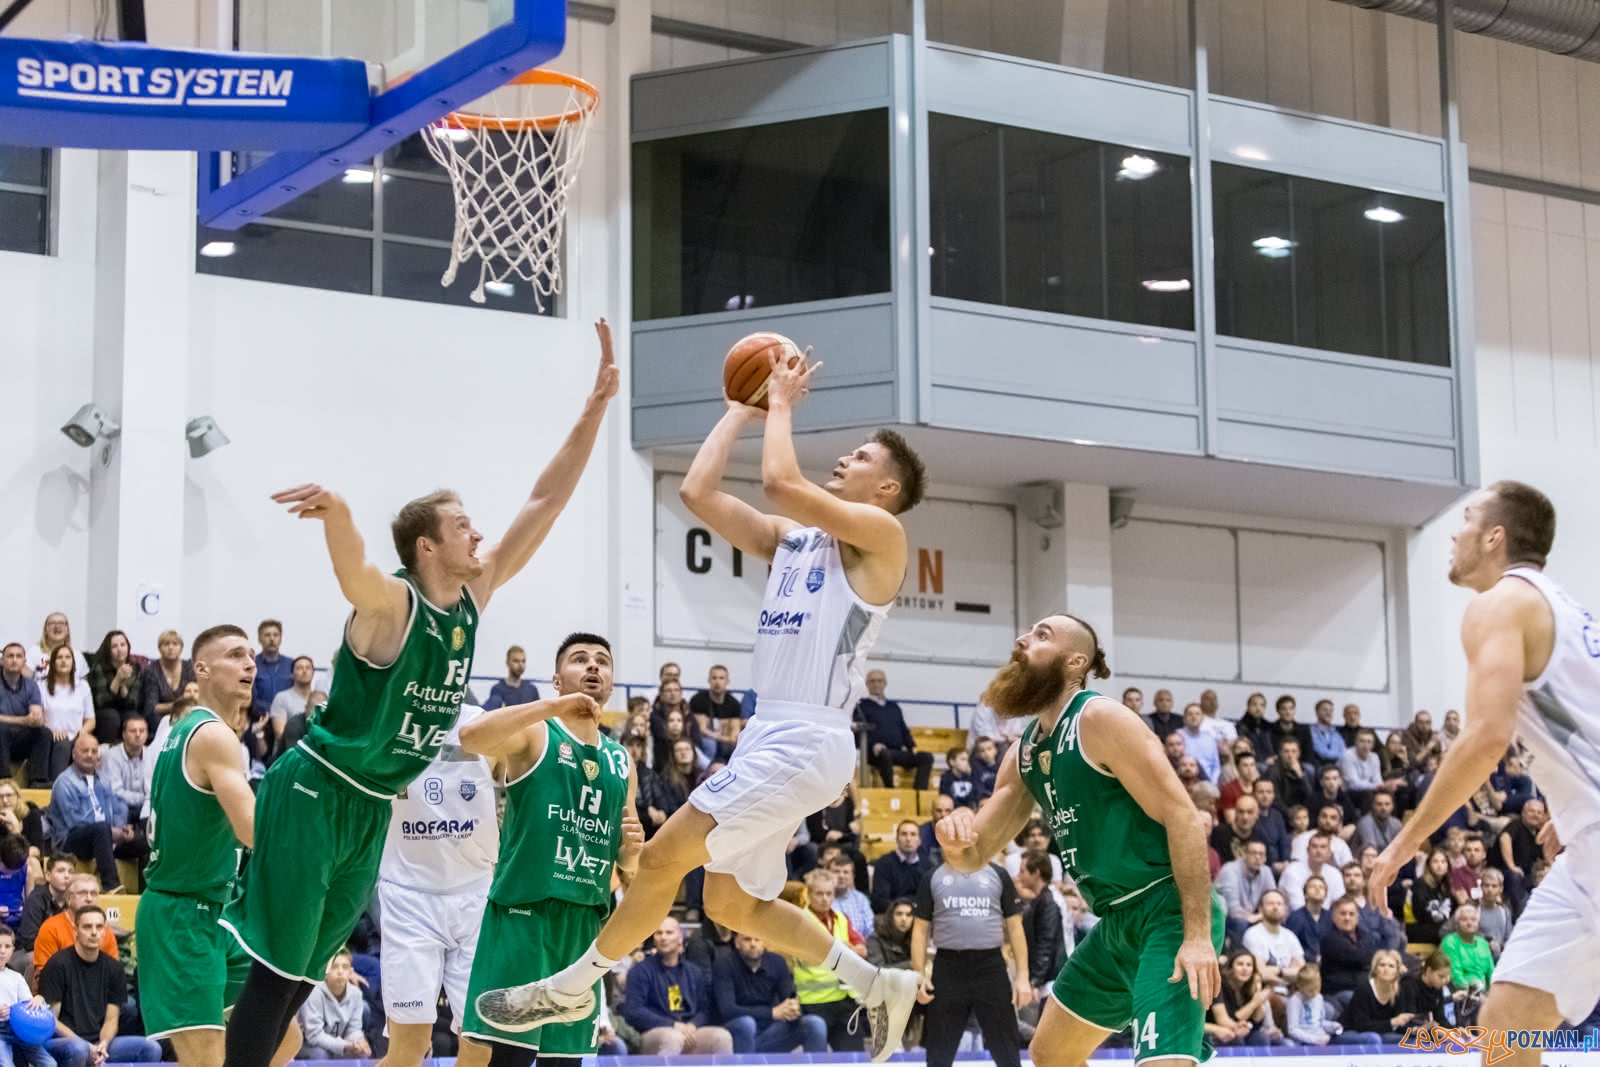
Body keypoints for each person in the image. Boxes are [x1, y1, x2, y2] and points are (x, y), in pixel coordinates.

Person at [476, 357, 928, 1064]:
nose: (846, 457)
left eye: (862, 455)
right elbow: (698, 489)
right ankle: (875, 981)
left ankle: (574, 984)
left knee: (660, 857)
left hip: (807, 735)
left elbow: (780, 480)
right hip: (770, 733)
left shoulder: (882, 538)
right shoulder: (797, 541)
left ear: (888, 487)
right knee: (730, 905)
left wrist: (779, 401)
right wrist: (742, 409)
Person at [220, 320, 617, 1067]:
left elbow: (545, 501)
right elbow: (356, 576)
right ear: (427, 545)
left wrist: (594, 407)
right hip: (316, 787)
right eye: (463, 524)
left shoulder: (471, 599)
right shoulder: (394, 606)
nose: (480, 533)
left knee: (304, 976)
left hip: (370, 805)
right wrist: (338, 515)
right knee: (279, 972)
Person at [935, 614, 1222, 1067]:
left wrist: (1198, 936)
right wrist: (956, 830)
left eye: (1041, 635)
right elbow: (972, 855)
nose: (1022, 639)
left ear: (1075, 662)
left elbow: (1183, 816)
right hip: (1115, 923)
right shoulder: (1025, 752)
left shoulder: (1100, 719)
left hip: (1166, 912)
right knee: (1051, 1054)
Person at [457, 633, 641, 1067]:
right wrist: (553, 707)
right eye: (580, 660)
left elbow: (627, 860)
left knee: (565, 1062)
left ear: (611, 681)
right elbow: (470, 737)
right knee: (510, 1060)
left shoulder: (620, 759)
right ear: (557, 680)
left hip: (584, 925)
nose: (594, 667)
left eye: (602, 661)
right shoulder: (538, 733)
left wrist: (633, 849)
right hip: (526, 913)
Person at [369, 688, 498, 1067]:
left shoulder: (484, 723)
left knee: (482, 1040)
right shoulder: (385, 720)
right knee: (410, 1046)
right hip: (409, 896)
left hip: (476, 894)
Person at [38, 906, 160, 1066]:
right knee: (79, 1049)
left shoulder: (114, 968)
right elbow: (52, 1021)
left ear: (105, 932)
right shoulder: (57, 965)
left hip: (96, 1041)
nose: (94, 932)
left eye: (99, 927)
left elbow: (111, 1019)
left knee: (151, 1048)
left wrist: (103, 1045)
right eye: (87, 927)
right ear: (75, 931)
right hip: (63, 1043)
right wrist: (87, 1047)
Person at [619, 918, 732, 1055]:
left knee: (722, 1037)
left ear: (680, 938)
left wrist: (693, 1025)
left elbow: (704, 1009)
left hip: (689, 1030)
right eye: (659, 933)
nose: (663, 937)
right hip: (652, 1033)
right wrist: (673, 1025)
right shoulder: (640, 971)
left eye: (669, 933)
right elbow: (634, 1011)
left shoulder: (694, 972)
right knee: (673, 1038)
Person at [791, 866, 866, 1051]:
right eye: (819, 894)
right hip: (812, 1002)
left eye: (829, 893)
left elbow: (862, 948)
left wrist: (854, 950)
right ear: (808, 895)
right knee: (818, 1060)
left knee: (854, 1057)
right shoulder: (798, 920)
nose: (825, 899)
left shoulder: (841, 918)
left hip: (843, 998)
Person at [712, 933, 828, 1054]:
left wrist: (793, 1010)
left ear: (765, 942)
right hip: (737, 1032)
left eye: (757, 939)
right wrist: (771, 1013)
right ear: (737, 943)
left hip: (769, 1033)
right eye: (747, 939)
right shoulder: (724, 964)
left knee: (815, 1023)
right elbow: (728, 1010)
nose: (753, 944)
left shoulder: (777, 962)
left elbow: (788, 1000)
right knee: (747, 1023)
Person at [46, 737, 130, 892]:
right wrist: (110, 832)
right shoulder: (64, 782)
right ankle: (111, 885)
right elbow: (75, 822)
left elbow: (116, 806)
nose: (90, 755)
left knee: (140, 841)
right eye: (85, 751)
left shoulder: (103, 779)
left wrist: (121, 828)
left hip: (101, 835)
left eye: (94, 751)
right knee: (101, 829)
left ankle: (150, 890)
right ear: (73, 754)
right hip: (69, 841)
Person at [856, 670, 933, 791]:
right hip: (876, 754)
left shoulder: (894, 707)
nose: (876, 684)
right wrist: (873, 745)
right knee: (884, 754)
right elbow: (859, 732)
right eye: (872, 681)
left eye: (879, 681)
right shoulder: (861, 706)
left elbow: (903, 729)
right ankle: (890, 792)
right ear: (867, 684)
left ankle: (919, 794)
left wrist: (911, 747)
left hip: (897, 751)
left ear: (885, 683)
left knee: (926, 757)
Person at [298, 952, 369, 1060]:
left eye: (345, 967)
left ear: (351, 972)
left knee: (361, 1053)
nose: (340, 971)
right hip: (308, 1044)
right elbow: (314, 1036)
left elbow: (353, 1029)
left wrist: (358, 1042)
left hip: (337, 1043)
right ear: (325, 972)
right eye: (334, 967)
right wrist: (345, 1046)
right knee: (320, 1055)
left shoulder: (356, 994)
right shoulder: (312, 992)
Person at [1285, 964, 1376, 1046]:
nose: (1314, 993)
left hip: (1323, 1038)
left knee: (1370, 1038)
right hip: (1305, 1042)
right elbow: (1293, 1030)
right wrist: (1314, 1040)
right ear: (1300, 986)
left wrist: (1332, 1026)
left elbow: (1318, 1023)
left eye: (1317, 989)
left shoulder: (1318, 997)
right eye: (1310, 991)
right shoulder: (1294, 1001)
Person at [37, 648, 92, 782]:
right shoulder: (41, 686)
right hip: (52, 736)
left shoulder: (83, 686)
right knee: (62, 745)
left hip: (77, 736)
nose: (63, 661)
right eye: (59, 657)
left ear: (73, 662)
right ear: (53, 663)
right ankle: (56, 787)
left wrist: (83, 732)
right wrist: (49, 730)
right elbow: (38, 716)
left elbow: (91, 719)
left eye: (67, 657)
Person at [0, 927, 51, 1067]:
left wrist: (38, 999)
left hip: (18, 1028)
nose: (2, 951)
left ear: (13, 949)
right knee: (6, 1064)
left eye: (7, 946)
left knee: (49, 1063)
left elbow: (27, 1003)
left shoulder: (16, 977)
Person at [1209, 951, 1281, 1046]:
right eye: (1240, 964)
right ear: (1230, 967)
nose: (1245, 968)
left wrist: (1258, 991)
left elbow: (1256, 1020)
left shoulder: (1250, 986)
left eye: (1249, 965)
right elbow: (1225, 1021)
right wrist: (1254, 1003)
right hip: (1217, 1029)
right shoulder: (1219, 985)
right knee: (1235, 1039)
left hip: (1240, 1029)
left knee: (1261, 1038)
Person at [0, 645, 47, 788]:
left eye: (18, 656)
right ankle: (4, 779)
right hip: (1, 738)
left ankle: (37, 782)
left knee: (44, 733)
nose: (14, 660)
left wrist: (37, 719)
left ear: (24, 661)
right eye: (10, 656)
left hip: (19, 739)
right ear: (2, 660)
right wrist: (24, 720)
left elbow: (35, 713)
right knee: (1, 730)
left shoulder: (31, 685)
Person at [1240, 889, 1303, 993]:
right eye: (1270, 903)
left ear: (1285, 909)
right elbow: (1261, 972)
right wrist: (1289, 975)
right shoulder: (1253, 934)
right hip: (1266, 992)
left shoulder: (1290, 936)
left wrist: (1278, 971)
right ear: (1260, 909)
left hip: (1292, 992)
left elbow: (1303, 973)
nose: (1275, 907)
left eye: (1279, 904)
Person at [85, 632, 140, 746]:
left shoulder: (136, 667)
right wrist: (118, 679)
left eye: (123, 645)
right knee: (111, 716)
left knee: (134, 718)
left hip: (125, 709)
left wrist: (123, 685)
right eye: (114, 646)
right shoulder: (99, 667)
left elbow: (133, 702)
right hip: (103, 712)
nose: (119, 649)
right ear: (108, 650)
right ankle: (106, 752)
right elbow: (101, 701)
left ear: (128, 647)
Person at [139, 631, 194, 724]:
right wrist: (176, 706)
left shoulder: (189, 667)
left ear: (181, 648)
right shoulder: (152, 670)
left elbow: (195, 698)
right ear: (159, 648)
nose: (171, 647)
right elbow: (152, 707)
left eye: (175, 644)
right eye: (166, 644)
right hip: (160, 717)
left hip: (187, 713)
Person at [266, 656, 315, 758]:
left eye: (308, 668)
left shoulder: (319, 698)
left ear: (313, 672)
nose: (304, 671)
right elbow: (280, 733)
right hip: (286, 755)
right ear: (292, 673)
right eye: (299, 668)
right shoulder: (282, 698)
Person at [1440, 903, 1495, 991]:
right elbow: (1455, 977)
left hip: (1484, 994)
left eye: (1473, 920)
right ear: (1457, 924)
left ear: (1478, 923)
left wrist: (1492, 995)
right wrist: (1476, 993)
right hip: (1460, 993)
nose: (1469, 923)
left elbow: (1491, 974)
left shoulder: (1483, 944)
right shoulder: (1450, 942)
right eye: (1464, 920)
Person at [482, 647, 539, 711]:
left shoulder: (532, 690)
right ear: (507, 662)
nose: (520, 665)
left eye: (523, 661)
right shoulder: (498, 689)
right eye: (516, 661)